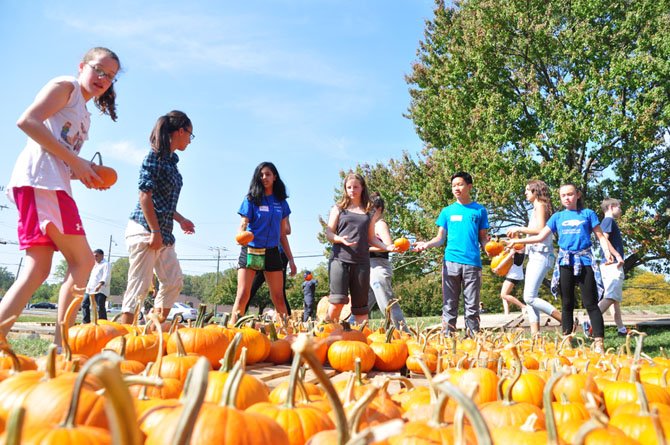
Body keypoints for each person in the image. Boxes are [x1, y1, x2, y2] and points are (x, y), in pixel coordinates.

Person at [0, 47, 121, 347]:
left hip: (46, 183)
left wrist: (85, 172)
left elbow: (64, 160)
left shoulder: (85, 117)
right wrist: (76, 162)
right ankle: (61, 348)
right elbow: (28, 121)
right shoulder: (66, 87)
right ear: (82, 66)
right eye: (99, 70)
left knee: (37, 269)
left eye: (111, 76)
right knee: (83, 261)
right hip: (43, 182)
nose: (104, 79)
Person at [510, 183, 624, 353]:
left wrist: (608, 252)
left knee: (591, 303)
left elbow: (600, 236)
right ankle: (567, 340)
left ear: (577, 195)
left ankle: (599, 341)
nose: (567, 198)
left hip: (585, 261)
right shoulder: (557, 217)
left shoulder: (588, 214)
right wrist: (518, 241)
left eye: (570, 194)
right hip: (565, 262)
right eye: (563, 195)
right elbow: (541, 236)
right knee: (567, 303)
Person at [118, 111, 195, 325]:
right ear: (180, 131)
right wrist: (155, 231)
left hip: (162, 231)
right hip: (145, 229)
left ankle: (152, 330)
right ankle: (123, 340)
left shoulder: (171, 162)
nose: (190, 139)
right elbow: (145, 196)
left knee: (173, 281)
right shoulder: (154, 157)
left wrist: (180, 219)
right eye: (190, 134)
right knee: (139, 286)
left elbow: (163, 202)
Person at [414, 172, 491, 335]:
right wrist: (426, 244)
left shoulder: (479, 211)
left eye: (460, 184)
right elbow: (440, 238)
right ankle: (448, 338)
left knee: (472, 305)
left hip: (472, 263)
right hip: (450, 263)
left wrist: (491, 250)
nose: (456, 188)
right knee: (449, 304)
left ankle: (473, 338)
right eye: (454, 185)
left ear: (469, 187)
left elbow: (483, 238)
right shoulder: (447, 211)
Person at [325, 173, 396, 324]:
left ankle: (361, 339)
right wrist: (338, 239)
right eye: (349, 187)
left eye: (355, 187)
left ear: (362, 188)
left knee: (361, 308)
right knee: (337, 301)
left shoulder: (369, 211)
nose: (352, 190)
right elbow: (329, 233)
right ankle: (325, 336)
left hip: (362, 263)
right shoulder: (338, 208)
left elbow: (371, 238)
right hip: (339, 259)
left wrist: (387, 247)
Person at [231, 162, 296, 323]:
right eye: (261, 175)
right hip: (251, 250)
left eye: (267, 174)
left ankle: (286, 334)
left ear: (275, 177)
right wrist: (241, 232)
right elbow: (243, 222)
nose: (264, 177)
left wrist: (292, 260)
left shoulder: (281, 203)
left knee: (279, 298)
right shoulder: (251, 199)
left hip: (272, 252)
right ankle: (231, 331)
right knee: (242, 295)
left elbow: (283, 234)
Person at [506, 180, 562, 334]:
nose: (525, 193)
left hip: (542, 255)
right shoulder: (536, 208)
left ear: (535, 191)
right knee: (530, 297)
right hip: (535, 255)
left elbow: (540, 230)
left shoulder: (540, 206)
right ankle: (535, 336)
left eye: (527, 190)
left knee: (529, 297)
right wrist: (517, 242)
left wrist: (518, 228)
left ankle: (565, 320)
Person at [366, 192, 409, 331]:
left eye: (371, 209)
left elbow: (388, 246)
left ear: (379, 210)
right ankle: (353, 329)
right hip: (366, 266)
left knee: (387, 303)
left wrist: (364, 249)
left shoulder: (380, 224)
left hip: (379, 266)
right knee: (361, 304)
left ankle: (402, 332)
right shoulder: (367, 226)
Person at [248, 217, 292, 316]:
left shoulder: (280, 204)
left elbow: (287, 230)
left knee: (279, 293)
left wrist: (269, 225)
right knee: (249, 288)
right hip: (258, 251)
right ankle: (237, 320)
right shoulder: (257, 202)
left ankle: (287, 322)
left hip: (278, 253)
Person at [597, 198, 627, 336]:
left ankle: (621, 329)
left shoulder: (606, 222)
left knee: (614, 298)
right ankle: (591, 322)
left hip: (608, 264)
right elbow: (604, 239)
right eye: (619, 207)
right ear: (611, 207)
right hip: (612, 264)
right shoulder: (608, 221)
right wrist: (617, 256)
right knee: (610, 296)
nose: (620, 210)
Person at [82, 249, 111, 323]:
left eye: (96, 256)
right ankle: (86, 322)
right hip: (90, 289)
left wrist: (100, 285)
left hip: (100, 289)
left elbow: (106, 275)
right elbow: (92, 277)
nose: (95, 257)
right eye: (94, 256)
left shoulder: (106, 264)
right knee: (84, 304)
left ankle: (103, 322)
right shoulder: (94, 265)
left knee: (100, 307)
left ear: (102, 255)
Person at [498, 247, 526, 315]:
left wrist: (497, 268)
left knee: (503, 294)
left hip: (513, 275)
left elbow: (506, 260)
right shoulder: (522, 250)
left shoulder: (514, 251)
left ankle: (523, 306)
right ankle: (506, 313)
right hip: (515, 274)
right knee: (504, 294)